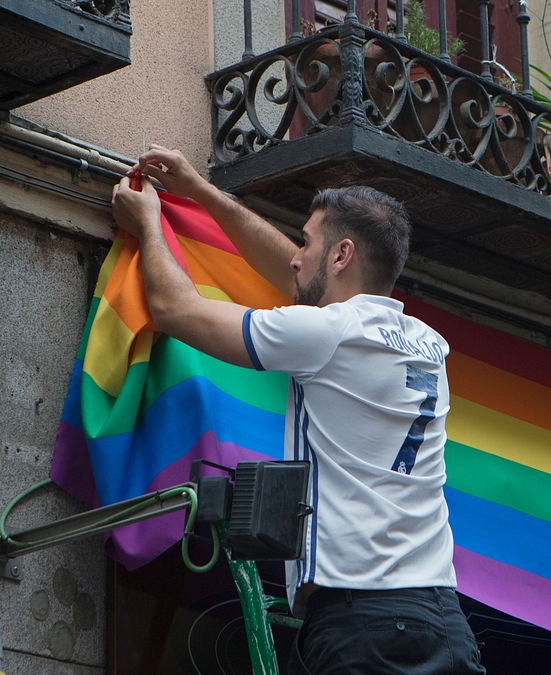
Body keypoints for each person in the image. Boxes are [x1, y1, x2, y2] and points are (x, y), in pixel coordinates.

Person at [111, 146, 485, 675]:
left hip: (362, 626)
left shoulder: (329, 332)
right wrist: (199, 191)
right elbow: (298, 279)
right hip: (443, 621)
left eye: (306, 242)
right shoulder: (426, 342)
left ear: (342, 256)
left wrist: (148, 222)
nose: (294, 256)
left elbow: (175, 309)